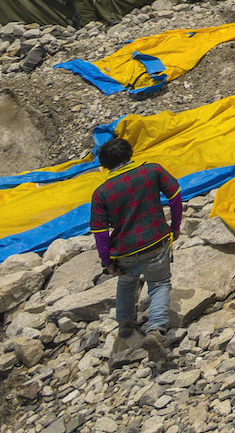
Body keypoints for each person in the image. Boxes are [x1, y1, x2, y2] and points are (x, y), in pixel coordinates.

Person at [87, 136, 182, 365]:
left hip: (124, 251)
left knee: (126, 282)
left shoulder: (101, 193)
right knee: (159, 284)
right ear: (130, 154)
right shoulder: (152, 170)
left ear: (105, 165)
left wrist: (106, 261)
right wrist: (175, 226)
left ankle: (126, 325)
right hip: (155, 241)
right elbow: (175, 195)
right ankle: (155, 330)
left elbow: (100, 231)